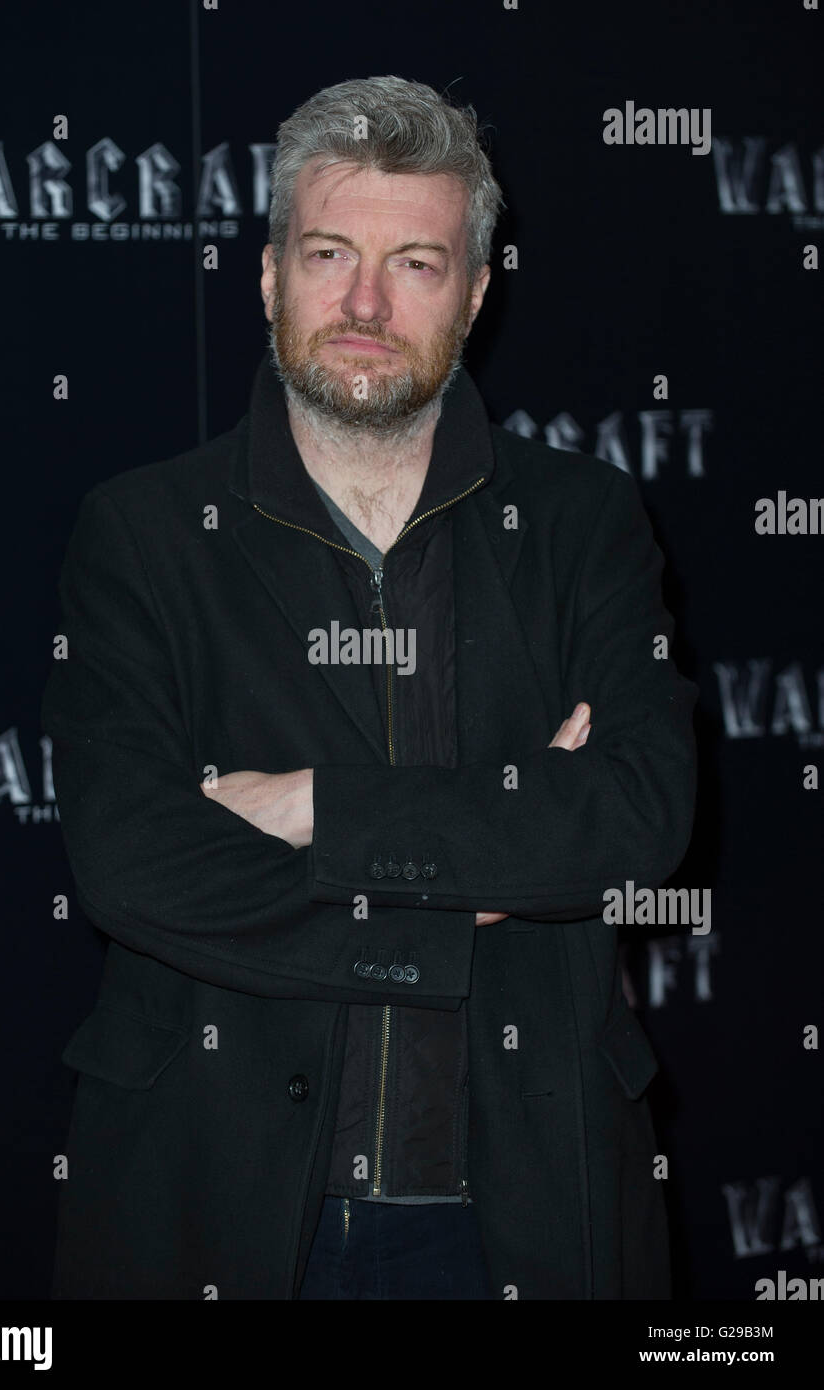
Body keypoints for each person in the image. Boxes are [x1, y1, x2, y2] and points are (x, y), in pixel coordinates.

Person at [42, 74, 698, 1301]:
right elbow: (134, 861)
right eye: (329, 251)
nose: (360, 301)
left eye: (414, 263)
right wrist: (468, 892)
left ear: (478, 290)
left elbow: (631, 817)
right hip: (212, 1203)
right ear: (267, 271)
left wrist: (315, 808)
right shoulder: (141, 534)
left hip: (522, 1210)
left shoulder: (582, 523)